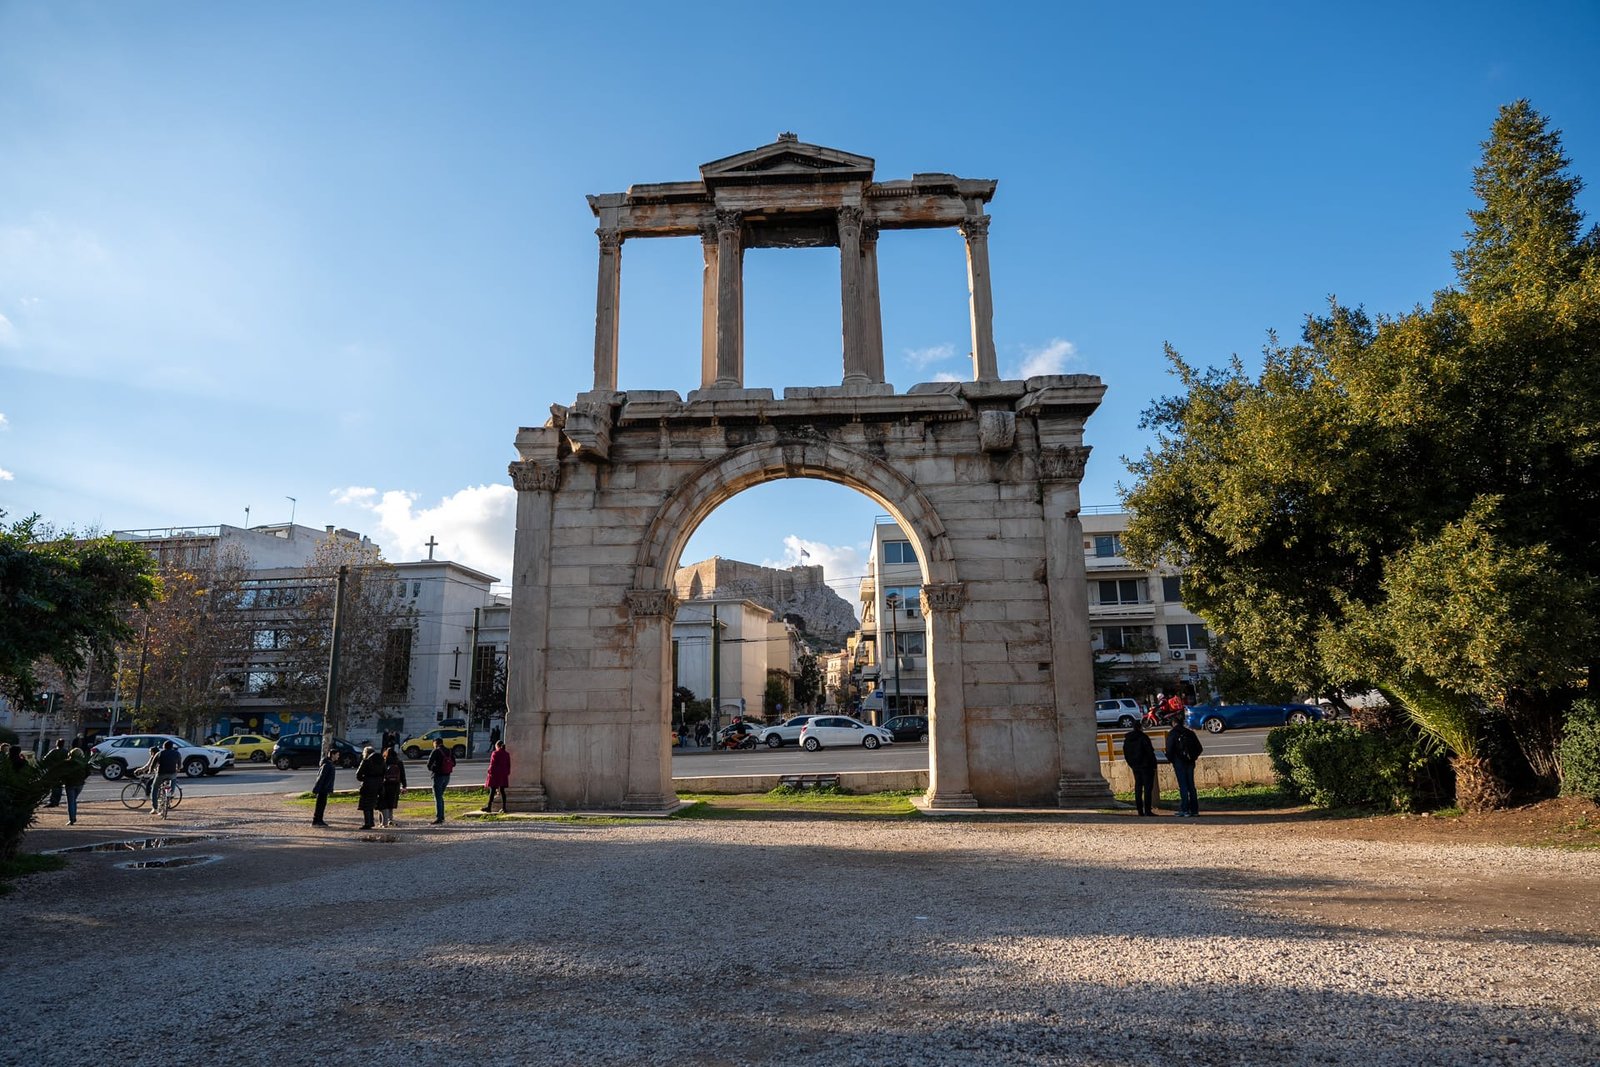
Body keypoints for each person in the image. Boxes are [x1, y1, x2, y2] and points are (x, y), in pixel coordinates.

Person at [1164, 713, 1204, 817]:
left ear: (1173, 723)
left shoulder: (1172, 734)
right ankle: (1194, 810)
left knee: (1183, 786)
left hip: (1179, 762)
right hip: (1190, 762)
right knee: (1191, 785)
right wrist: (1192, 757)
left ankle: (1185, 809)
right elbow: (1199, 748)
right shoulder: (1189, 732)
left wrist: (1172, 760)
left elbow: (1169, 750)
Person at [1122, 720, 1159, 816]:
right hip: (1146, 766)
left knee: (1138, 787)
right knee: (1147, 788)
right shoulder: (1143, 737)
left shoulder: (1128, 739)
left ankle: (1140, 810)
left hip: (1135, 766)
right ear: (1140, 727)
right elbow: (1150, 752)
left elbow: (1126, 754)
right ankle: (1147, 809)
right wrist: (1153, 765)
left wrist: (1132, 764)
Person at [145, 740, 182, 815]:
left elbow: (153, 764)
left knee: (154, 788)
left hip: (161, 774)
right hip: (172, 773)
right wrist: (178, 769)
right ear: (172, 747)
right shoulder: (177, 753)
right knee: (173, 779)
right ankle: (171, 793)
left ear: (163, 746)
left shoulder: (159, 753)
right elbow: (179, 764)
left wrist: (150, 771)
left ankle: (154, 808)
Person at [425, 737, 455, 824]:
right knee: (440, 796)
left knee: (438, 797)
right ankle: (442, 816)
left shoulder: (436, 751)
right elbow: (454, 763)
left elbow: (428, 765)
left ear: (435, 743)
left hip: (438, 776)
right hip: (447, 776)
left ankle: (439, 817)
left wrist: (434, 768)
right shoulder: (449, 750)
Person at [355, 744, 384, 830]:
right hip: (378, 784)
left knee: (366, 804)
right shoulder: (381, 761)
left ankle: (368, 822)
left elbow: (358, 774)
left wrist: (364, 779)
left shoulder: (366, 761)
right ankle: (371, 822)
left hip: (368, 784)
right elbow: (384, 772)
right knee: (372, 803)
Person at [61, 747, 91, 825]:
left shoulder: (68, 763)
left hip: (70, 783)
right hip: (80, 783)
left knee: (71, 802)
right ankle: (73, 817)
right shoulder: (83, 763)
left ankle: (72, 819)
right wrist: (83, 778)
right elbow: (88, 772)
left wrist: (63, 780)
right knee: (73, 800)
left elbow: (63, 773)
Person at [379, 745, 407, 827]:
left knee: (385, 802)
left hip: (386, 784)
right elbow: (402, 775)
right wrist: (404, 785)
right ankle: (390, 819)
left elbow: (382, 774)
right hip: (396, 784)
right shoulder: (399, 762)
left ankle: (385, 819)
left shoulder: (384, 761)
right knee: (392, 802)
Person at [311, 748, 338, 827]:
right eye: (337, 755)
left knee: (322, 805)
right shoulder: (327, 765)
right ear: (333, 755)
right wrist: (317, 788)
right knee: (320, 805)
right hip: (323, 788)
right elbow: (321, 777)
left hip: (325, 788)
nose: (338, 756)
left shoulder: (329, 764)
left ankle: (319, 820)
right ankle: (316, 820)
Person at [484, 740, 510, 813]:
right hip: (503, 774)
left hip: (495, 774)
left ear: (497, 746)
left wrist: (489, 772)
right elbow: (508, 765)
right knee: (502, 791)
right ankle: (504, 807)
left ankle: (489, 807)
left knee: (492, 791)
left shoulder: (495, 753)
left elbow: (492, 764)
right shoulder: (506, 754)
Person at [41, 739, 68, 806]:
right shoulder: (66, 752)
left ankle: (53, 801)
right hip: (62, 771)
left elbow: (45, 759)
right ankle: (56, 801)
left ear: (57, 744)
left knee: (54, 786)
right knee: (59, 786)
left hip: (54, 771)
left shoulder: (53, 751)